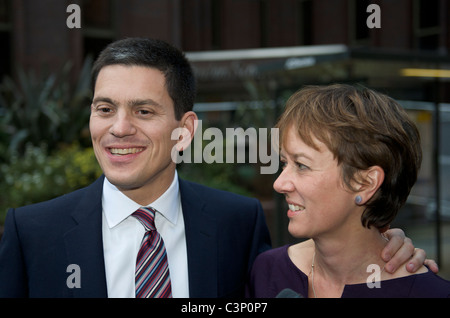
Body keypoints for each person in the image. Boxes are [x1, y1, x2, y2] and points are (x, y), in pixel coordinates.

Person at [0, 39, 431, 298]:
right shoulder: (32, 234)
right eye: (104, 108)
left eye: (143, 111)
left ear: (185, 131)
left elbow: (337, 259)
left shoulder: (236, 224)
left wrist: (383, 244)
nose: (119, 129)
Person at [247, 84, 450, 298]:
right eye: (283, 163)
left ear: (365, 183)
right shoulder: (267, 271)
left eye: (301, 165)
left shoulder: (430, 293)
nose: (279, 183)